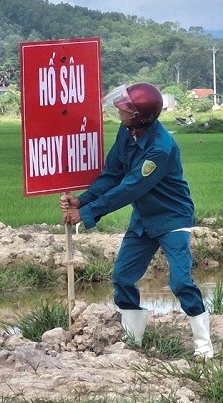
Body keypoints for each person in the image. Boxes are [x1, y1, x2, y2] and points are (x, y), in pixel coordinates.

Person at [61, 81, 213, 359]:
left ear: (141, 115)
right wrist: (83, 200)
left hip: (172, 218)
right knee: (122, 277)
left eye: (126, 108)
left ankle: (204, 347)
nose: (119, 110)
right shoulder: (127, 132)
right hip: (143, 219)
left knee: (180, 282)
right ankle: (134, 344)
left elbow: (131, 187)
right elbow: (112, 175)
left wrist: (86, 214)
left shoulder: (160, 148)